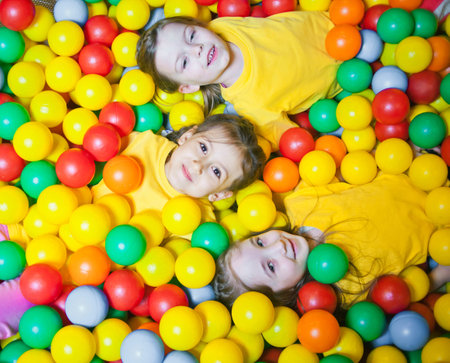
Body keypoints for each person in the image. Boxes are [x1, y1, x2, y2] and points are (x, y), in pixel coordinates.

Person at [212, 173, 450, 311]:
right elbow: (409, 287)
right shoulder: (348, 290)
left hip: (421, 173)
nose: (278, 245)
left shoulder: (301, 202)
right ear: (287, 293)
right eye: (271, 266)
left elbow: (353, 176)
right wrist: (443, 273)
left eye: (261, 243)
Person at [136, 12, 342, 151]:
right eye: (184, 62)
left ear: (201, 26)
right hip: (348, 72)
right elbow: (295, 141)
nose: (196, 48)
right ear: (188, 87)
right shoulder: (251, 105)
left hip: (336, 16)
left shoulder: (224, 25)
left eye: (191, 35)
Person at [91, 114, 266, 220]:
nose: (198, 165)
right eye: (203, 147)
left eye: (216, 171)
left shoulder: (197, 220)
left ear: (219, 194)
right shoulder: (143, 143)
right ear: (187, 136)